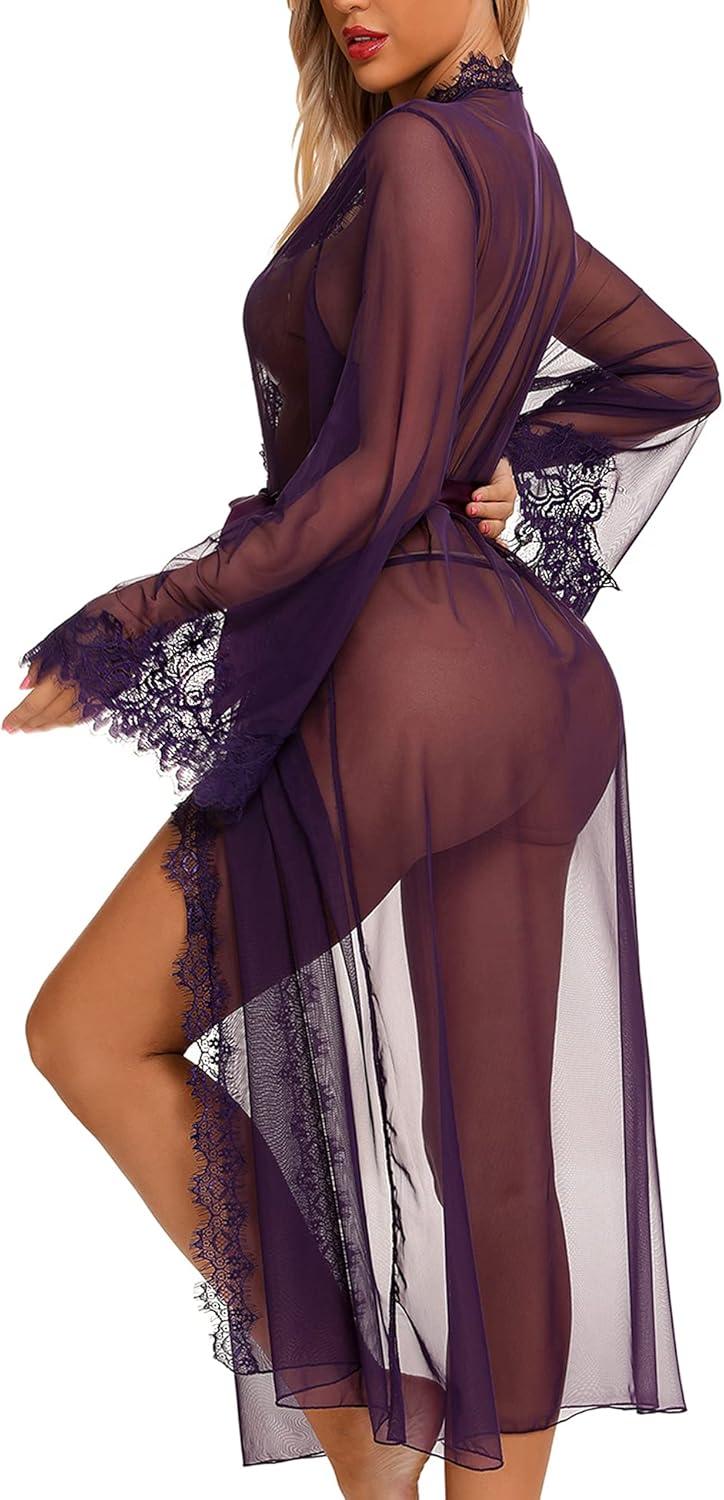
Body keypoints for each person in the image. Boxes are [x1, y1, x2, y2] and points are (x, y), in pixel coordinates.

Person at [4, 3, 720, 1498]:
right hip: (543, 696)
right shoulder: (519, 170)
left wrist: (139, 612)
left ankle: (371, 1420)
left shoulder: (415, 160)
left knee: (87, 1032)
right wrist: (507, 449)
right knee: (499, 1162)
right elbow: (676, 372)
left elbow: (379, 473)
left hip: (408, 681)